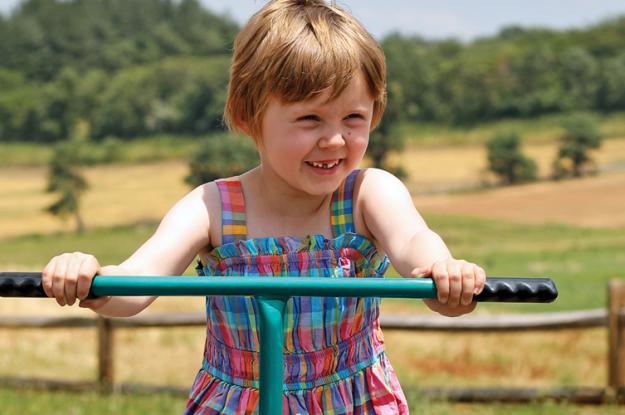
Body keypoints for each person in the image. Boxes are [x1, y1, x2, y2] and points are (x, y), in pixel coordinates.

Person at [42, 0, 486, 413]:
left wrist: (442, 272)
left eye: (354, 118)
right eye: (309, 118)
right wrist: (89, 278)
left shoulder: (368, 194)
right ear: (246, 115)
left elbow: (413, 242)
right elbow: (135, 285)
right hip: (240, 404)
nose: (334, 139)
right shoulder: (213, 206)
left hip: (353, 400)